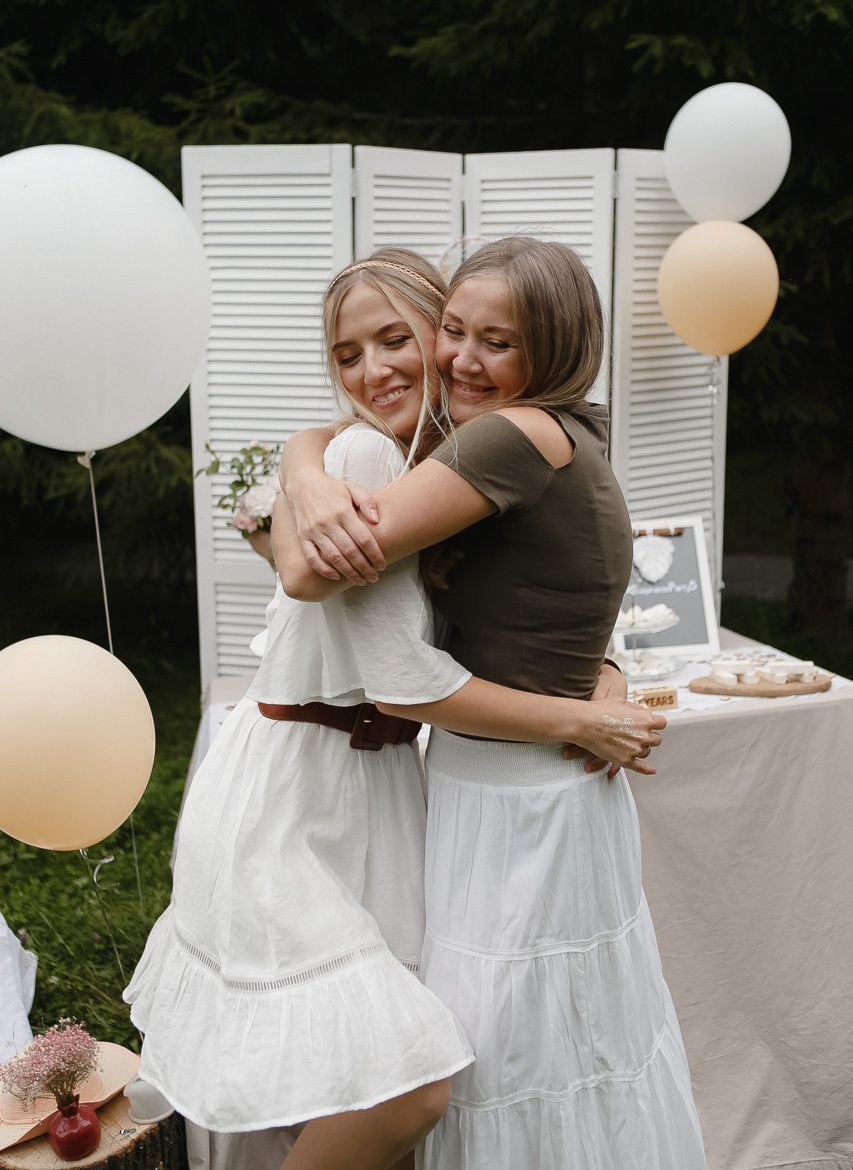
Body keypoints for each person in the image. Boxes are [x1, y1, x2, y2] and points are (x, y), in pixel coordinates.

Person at [125, 247, 665, 1170]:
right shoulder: (366, 454)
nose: (378, 370)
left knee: (365, 1060)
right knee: (408, 1084)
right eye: (347, 355)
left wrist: (600, 663)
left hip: (370, 792)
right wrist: (306, 464)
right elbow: (363, 634)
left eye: (399, 339)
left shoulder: (442, 473)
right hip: (297, 800)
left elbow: (517, 602)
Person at [275, 238, 708, 1169]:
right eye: (456, 333)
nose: (464, 360)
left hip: (517, 805)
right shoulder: (561, 432)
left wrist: (301, 477)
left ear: (550, 350)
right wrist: (306, 455)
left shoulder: (508, 436)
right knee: (560, 1045)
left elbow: (311, 567)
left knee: (502, 1054)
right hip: (519, 790)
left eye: (497, 342)